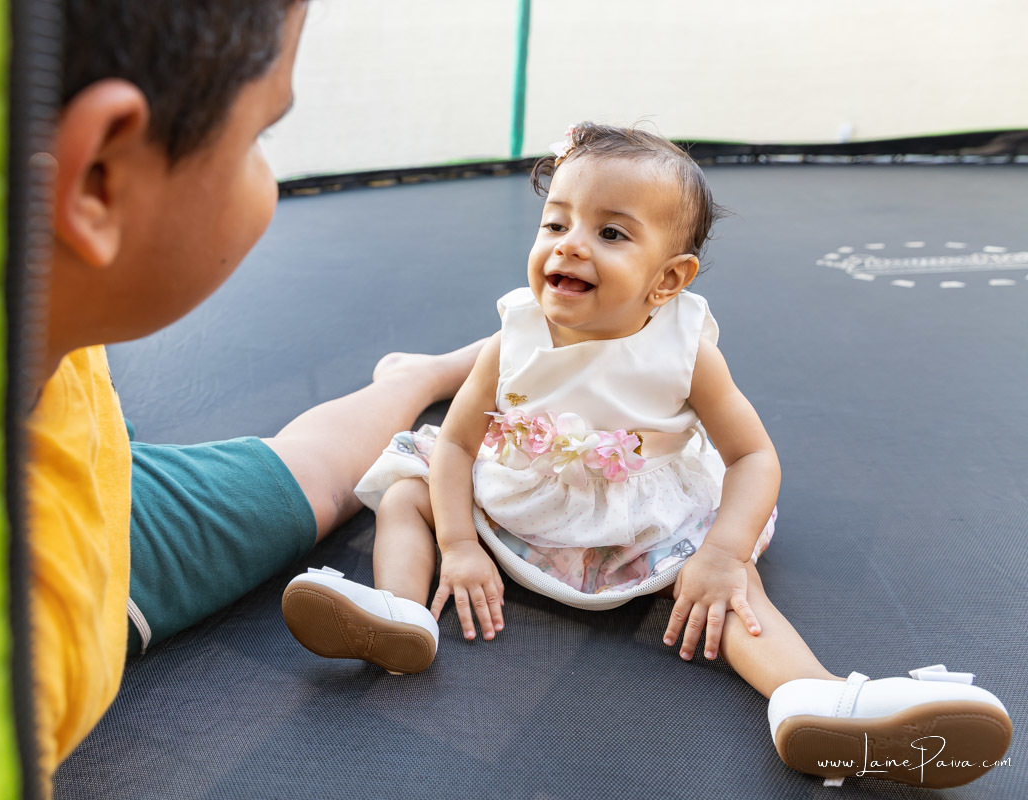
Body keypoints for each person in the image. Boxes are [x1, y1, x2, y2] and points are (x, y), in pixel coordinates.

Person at [280, 122, 1013, 789]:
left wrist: (724, 551)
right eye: (556, 223)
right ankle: (402, 612)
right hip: (521, 497)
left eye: (610, 234)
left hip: (642, 519)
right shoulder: (513, 339)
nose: (568, 244)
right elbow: (462, 444)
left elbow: (753, 455)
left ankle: (814, 698)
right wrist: (460, 544)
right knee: (412, 480)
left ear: (669, 279)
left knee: (726, 592)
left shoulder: (686, 353)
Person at [26, 0, 483, 788]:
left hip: (74, 443)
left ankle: (417, 377)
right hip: (53, 530)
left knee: (310, 481)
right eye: (260, 137)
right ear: (98, 177)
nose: (263, 166)